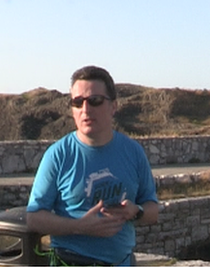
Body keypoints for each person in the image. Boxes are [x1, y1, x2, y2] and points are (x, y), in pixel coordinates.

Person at [26, 65, 159, 266]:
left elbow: (152, 210)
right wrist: (80, 226)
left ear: (113, 106)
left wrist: (136, 211)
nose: (85, 110)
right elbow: (34, 218)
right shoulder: (58, 155)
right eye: (78, 102)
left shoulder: (133, 152)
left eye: (95, 101)